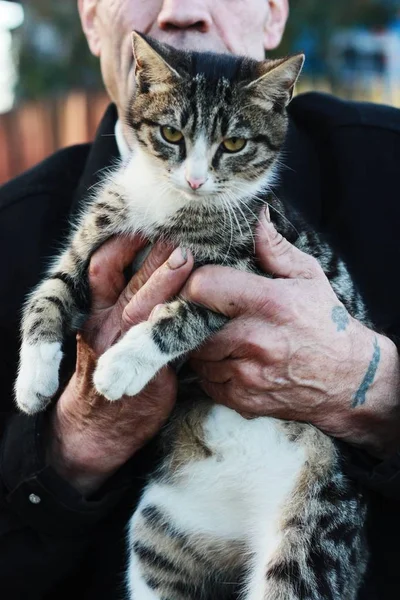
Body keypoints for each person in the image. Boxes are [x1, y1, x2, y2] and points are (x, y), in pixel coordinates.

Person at [0, 1, 399, 598]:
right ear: (89, 19)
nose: (182, 9)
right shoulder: (10, 230)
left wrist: (375, 390)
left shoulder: (386, 164)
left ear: (272, 15)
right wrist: (72, 446)